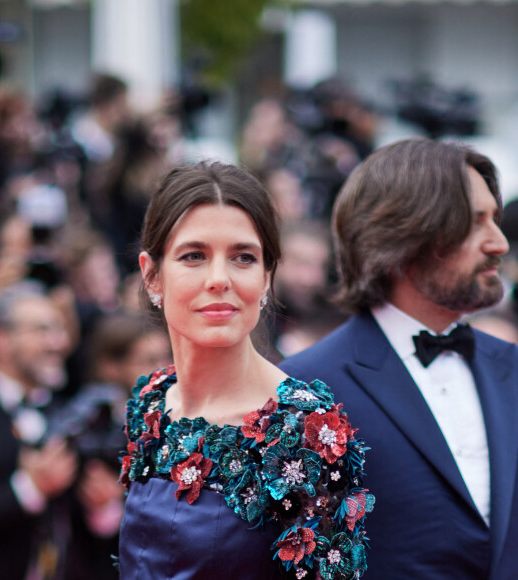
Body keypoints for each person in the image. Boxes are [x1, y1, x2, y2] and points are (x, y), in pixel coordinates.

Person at [117, 161, 374, 580]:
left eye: (243, 257)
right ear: (152, 276)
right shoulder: (151, 400)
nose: (219, 279)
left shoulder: (303, 429)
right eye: (194, 256)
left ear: (267, 278)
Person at [279, 137, 518, 580]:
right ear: (404, 234)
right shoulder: (306, 389)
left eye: (496, 220)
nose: (499, 244)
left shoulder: (514, 369)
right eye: (476, 223)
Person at [0, 282, 122, 580]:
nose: (58, 343)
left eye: (58, 330)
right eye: (42, 330)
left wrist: (102, 507)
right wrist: (30, 488)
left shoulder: (69, 412)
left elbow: (86, 529)